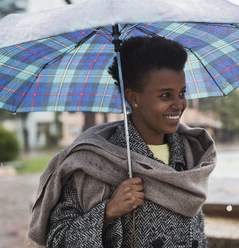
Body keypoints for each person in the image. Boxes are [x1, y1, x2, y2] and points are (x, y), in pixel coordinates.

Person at [25, 36, 216, 248]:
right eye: (165, 95)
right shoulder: (93, 162)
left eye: (181, 93)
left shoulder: (193, 155)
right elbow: (57, 239)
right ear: (133, 97)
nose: (179, 104)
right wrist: (107, 212)